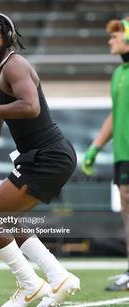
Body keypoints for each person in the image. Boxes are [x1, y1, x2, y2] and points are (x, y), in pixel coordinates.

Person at [0, 13, 80, 307]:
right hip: (40, 157)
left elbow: (30, 106)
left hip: (49, 154)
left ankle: (28, 283)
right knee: (6, 219)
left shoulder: (16, 65)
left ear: (8, 37)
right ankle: (58, 277)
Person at [82, 17, 129, 291]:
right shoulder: (119, 74)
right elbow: (116, 114)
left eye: (116, 35)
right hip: (122, 155)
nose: (110, 40)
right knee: (127, 210)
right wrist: (95, 147)